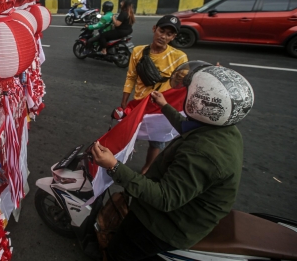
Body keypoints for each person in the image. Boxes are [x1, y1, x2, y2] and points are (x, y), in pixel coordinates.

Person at [92, 62, 255, 261]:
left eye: (187, 93)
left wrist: (113, 165)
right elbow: (187, 126)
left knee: (119, 252)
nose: (184, 96)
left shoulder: (202, 154)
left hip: (166, 226)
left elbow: (164, 198)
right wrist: (164, 106)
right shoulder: (223, 128)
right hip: (183, 211)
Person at [121, 15, 187, 174]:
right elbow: (131, 77)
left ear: (174, 37)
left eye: (169, 34)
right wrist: (124, 102)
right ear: (154, 29)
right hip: (139, 105)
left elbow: (183, 84)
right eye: (161, 31)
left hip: (160, 110)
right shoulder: (138, 51)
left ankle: (147, 168)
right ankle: (116, 163)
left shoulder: (179, 57)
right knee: (126, 136)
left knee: (157, 143)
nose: (163, 36)